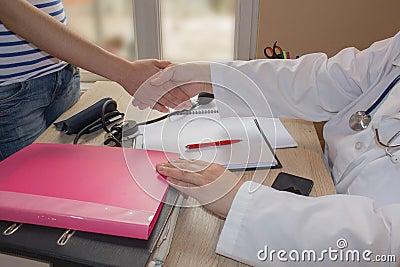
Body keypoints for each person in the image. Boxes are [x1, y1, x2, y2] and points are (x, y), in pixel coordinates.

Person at [147, 31, 400, 265]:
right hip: (328, 185)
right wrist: (212, 78)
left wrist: (242, 202)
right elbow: (323, 80)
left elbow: (387, 244)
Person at [0, 0, 190, 161]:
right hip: (12, 92)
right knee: (30, 191)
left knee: (69, 174)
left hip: (63, 75)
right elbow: (11, 9)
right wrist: (127, 72)